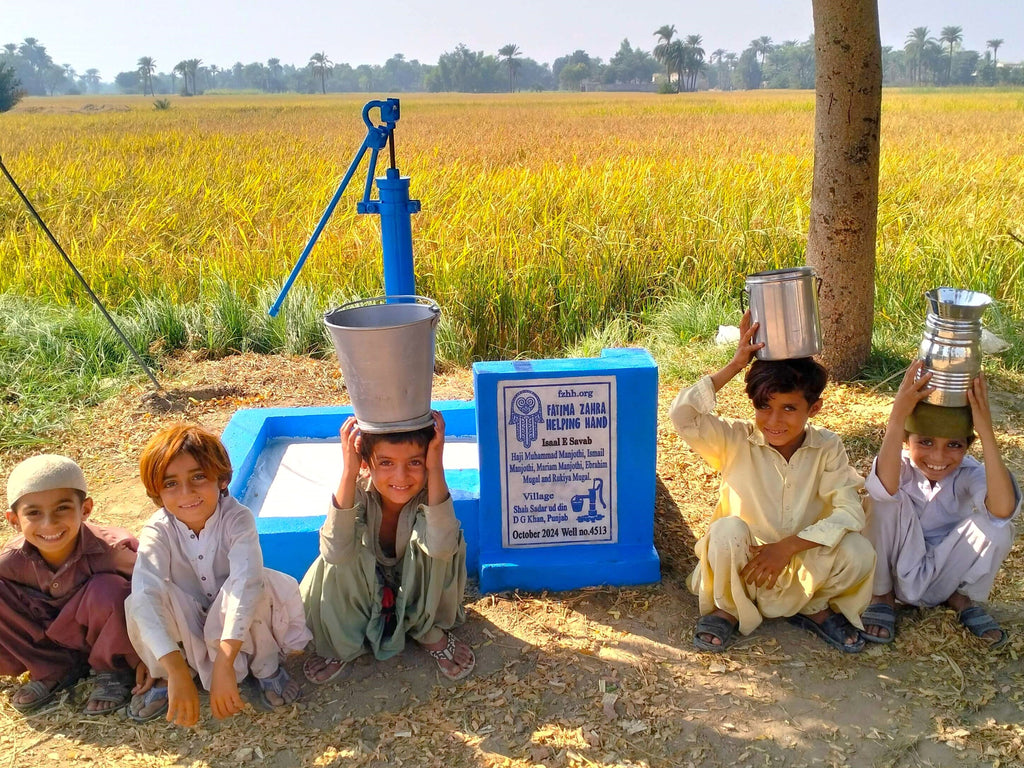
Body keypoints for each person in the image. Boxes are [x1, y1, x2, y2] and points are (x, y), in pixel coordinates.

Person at [669, 311, 875, 653]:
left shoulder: (827, 446)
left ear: (815, 407)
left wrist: (789, 546)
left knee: (859, 552)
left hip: (802, 561)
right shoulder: (735, 438)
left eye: (789, 409)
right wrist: (735, 365)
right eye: (764, 407)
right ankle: (728, 609)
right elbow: (682, 415)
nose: (774, 421)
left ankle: (813, 607)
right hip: (745, 563)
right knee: (725, 531)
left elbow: (849, 511)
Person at [125, 423, 312, 725]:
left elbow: (245, 584)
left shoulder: (238, 518)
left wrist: (225, 663)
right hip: (190, 615)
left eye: (198, 477)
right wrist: (175, 670)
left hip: (236, 616)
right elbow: (148, 594)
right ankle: (165, 678)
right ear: (157, 491)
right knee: (138, 602)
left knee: (258, 585)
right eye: (170, 483)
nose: (187, 493)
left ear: (221, 479)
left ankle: (266, 668)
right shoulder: (157, 530)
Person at [300, 411, 475, 684]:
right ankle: (342, 640)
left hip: (415, 585)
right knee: (341, 550)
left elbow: (441, 548)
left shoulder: (430, 492)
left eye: (415, 462)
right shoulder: (356, 490)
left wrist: (435, 468)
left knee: (441, 541)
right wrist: (348, 470)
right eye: (386, 463)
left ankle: (427, 629)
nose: (401, 476)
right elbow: (335, 552)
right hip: (365, 587)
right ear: (366, 464)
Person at [860, 361, 1019, 647]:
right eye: (926, 442)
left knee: (998, 528)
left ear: (968, 446)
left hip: (944, 573)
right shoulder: (899, 467)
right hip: (895, 576)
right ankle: (881, 596)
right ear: (907, 440)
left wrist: (987, 433)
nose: (939, 456)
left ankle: (961, 597)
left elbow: (1003, 509)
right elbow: (883, 491)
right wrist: (898, 415)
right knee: (881, 502)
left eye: (954, 445)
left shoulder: (968, 472)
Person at [1, 454, 143, 714]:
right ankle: (53, 667)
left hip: (107, 637)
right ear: (14, 520)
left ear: (86, 509)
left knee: (109, 590)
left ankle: (113, 670)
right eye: (33, 513)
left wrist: (152, 656)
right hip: (52, 638)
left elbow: (156, 592)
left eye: (62, 508)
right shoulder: (10, 562)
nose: (49, 523)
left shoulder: (113, 550)